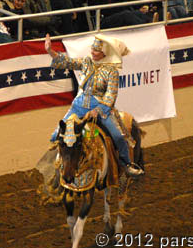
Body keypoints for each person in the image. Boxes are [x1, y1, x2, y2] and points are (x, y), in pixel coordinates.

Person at [44, 33, 144, 177]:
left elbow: (110, 96)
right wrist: (50, 51)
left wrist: (98, 110)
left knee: (118, 137)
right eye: (92, 49)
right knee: (55, 136)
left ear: (104, 53)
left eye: (96, 50)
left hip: (100, 109)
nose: (92, 52)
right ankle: (61, 164)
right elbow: (68, 62)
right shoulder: (87, 62)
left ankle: (126, 164)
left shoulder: (112, 71)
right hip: (78, 106)